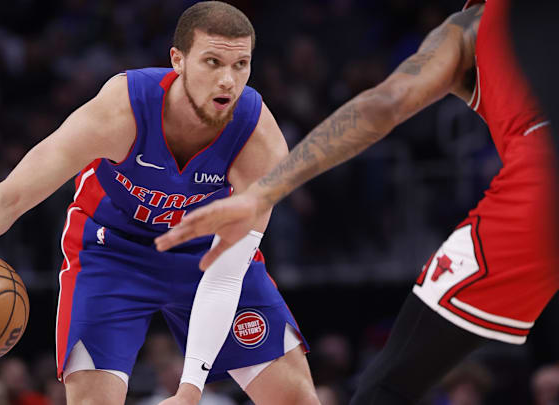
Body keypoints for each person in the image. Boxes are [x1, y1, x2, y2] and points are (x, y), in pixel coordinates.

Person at [0, 2, 320, 405]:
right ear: (178, 60)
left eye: (240, 65)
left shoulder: (259, 141)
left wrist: (190, 389)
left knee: (297, 398)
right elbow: (12, 197)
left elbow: (226, 275)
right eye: (213, 62)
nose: (228, 80)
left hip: (206, 252)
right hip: (111, 248)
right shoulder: (121, 110)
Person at [156, 0, 559, 403]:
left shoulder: (472, 28)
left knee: (385, 389)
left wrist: (263, 192)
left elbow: (384, 105)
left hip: (541, 190)